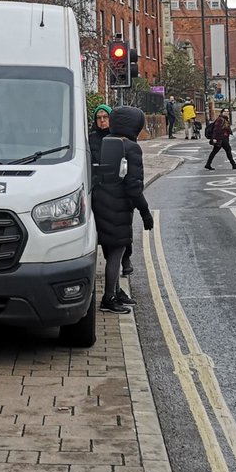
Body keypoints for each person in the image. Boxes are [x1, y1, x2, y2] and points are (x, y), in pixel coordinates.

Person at [91, 106, 153, 314]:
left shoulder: (107, 142)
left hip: (101, 202)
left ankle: (116, 293)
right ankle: (108, 298)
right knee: (116, 253)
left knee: (112, 252)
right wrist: (145, 213)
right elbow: (134, 186)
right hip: (119, 207)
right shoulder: (132, 148)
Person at [89, 104, 134, 277]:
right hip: (99, 190)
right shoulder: (90, 139)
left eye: (105, 117)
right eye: (98, 118)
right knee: (107, 231)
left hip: (118, 189)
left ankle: (126, 258)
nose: (102, 121)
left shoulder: (119, 138)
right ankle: (113, 264)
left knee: (123, 227)